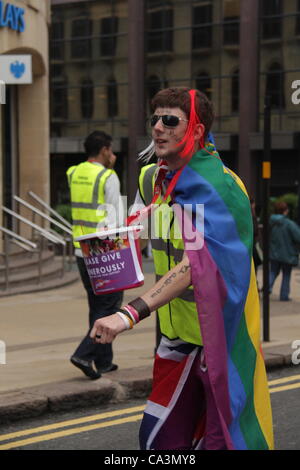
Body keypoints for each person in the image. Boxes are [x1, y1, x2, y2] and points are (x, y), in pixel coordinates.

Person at [90, 87, 274, 450]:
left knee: (224, 440)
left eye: (170, 120)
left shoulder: (222, 187)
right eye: (154, 119)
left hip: (220, 339)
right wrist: (105, 247)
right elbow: (139, 229)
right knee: (160, 440)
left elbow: (199, 265)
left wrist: (127, 315)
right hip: (176, 337)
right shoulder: (150, 178)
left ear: (197, 129)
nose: (158, 127)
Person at [67, 130, 124, 379]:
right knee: (110, 307)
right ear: (104, 150)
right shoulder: (107, 177)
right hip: (104, 253)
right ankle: (84, 353)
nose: (113, 155)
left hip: (82, 252)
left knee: (97, 306)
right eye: (110, 151)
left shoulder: (74, 173)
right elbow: (116, 220)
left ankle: (103, 362)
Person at [269, 201, 300, 301]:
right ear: (285, 211)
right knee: (286, 275)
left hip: (274, 252)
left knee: (273, 271)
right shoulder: (289, 224)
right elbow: (298, 237)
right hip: (288, 253)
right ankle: (284, 295)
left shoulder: (271, 222)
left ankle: (266, 289)